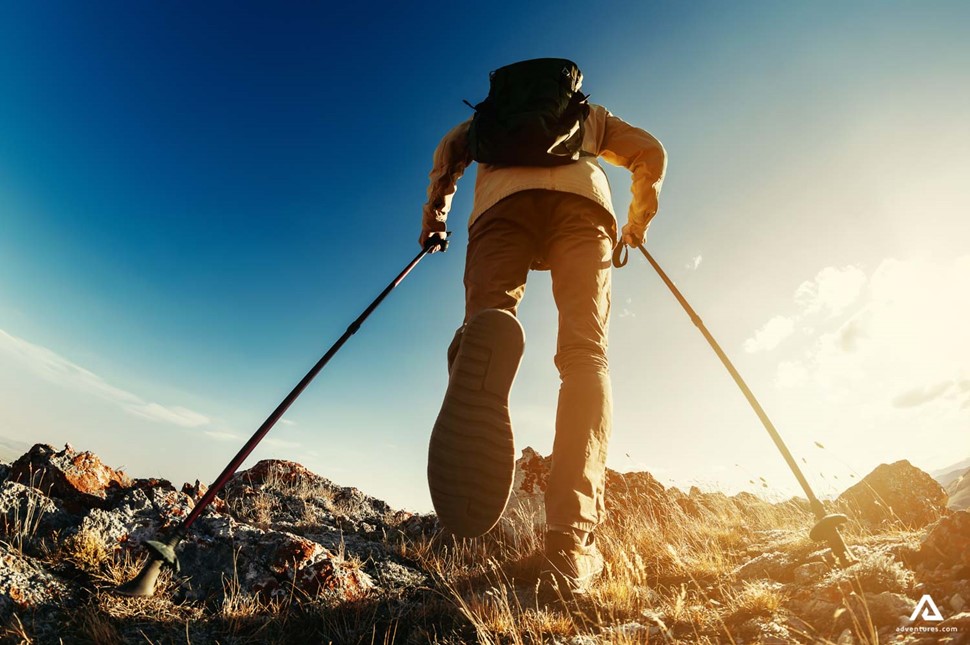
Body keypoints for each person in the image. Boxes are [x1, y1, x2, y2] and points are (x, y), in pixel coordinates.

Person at [421, 59, 667, 595]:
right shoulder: (590, 117)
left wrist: (434, 221)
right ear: (568, 88)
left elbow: (448, 156)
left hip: (499, 209)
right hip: (583, 207)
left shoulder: (486, 121)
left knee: (487, 323)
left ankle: (479, 356)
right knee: (585, 356)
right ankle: (570, 542)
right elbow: (650, 152)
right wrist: (637, 222)